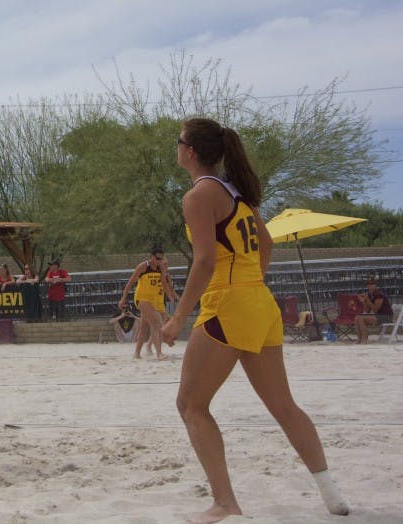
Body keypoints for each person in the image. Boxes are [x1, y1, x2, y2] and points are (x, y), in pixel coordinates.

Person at [161, 117, 348, 522]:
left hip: (227, 305)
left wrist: (178, 316)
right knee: (284, 405)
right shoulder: (236, 190)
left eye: (178, 142)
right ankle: (332, 495)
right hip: (260, 303)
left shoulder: (199, 195)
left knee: (191, 405)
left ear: (190, 151)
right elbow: (265, 243)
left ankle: (225, 503)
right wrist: (251, 283)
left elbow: (205, 260)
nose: (175, 147)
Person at [118, 247, 178, 360]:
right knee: (156, 321)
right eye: (157, 258)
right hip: (142, 298)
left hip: (155, 300)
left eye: (161, 259)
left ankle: (136, 353)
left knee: (144, 327)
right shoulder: (143, 266)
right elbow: (130, 283)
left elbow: (164, 283)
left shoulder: (160, 268)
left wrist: (170, 295)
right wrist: (123, 299)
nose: (159, 261)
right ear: (151, 257)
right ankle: (159, 353)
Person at [354, 277, 394, 344]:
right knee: (357, 318)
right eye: (368, 284)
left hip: (386, 317)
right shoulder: (370, 294)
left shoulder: (379, 294)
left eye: (372, 284)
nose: (370, 285)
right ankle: (359, 338)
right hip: (379, 316)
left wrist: (367, 299)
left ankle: (365, 337)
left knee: (360, 318)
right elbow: (367, 311)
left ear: (376, 285)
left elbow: (375, 309)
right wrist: (363, 301)